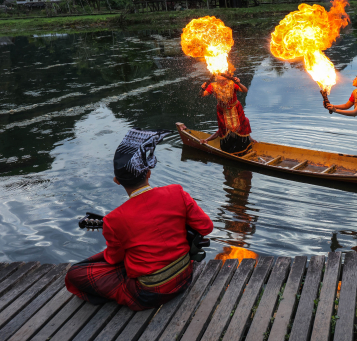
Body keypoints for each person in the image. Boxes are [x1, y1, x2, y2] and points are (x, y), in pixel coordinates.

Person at [65, 129, 214, 311]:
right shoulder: (177, 192)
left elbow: (113, 259)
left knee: (75, 274)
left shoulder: (114, 220)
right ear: (148, 173)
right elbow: (206, 227)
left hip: (149, 293)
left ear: (116, 181)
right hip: (184, 277)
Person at [199, 73, 254, 156]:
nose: (220, 75)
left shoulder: (232, 84)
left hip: (236, 108)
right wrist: (202, 89)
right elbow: (201, 95)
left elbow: (245, 90)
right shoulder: (213, 86)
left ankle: (247, 144)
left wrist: (238, 83)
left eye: (222, 74)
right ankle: (229, 150)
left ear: (227, 76)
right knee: (224, 128)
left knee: (242, 124)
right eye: (219, 74)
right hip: (222, 110)